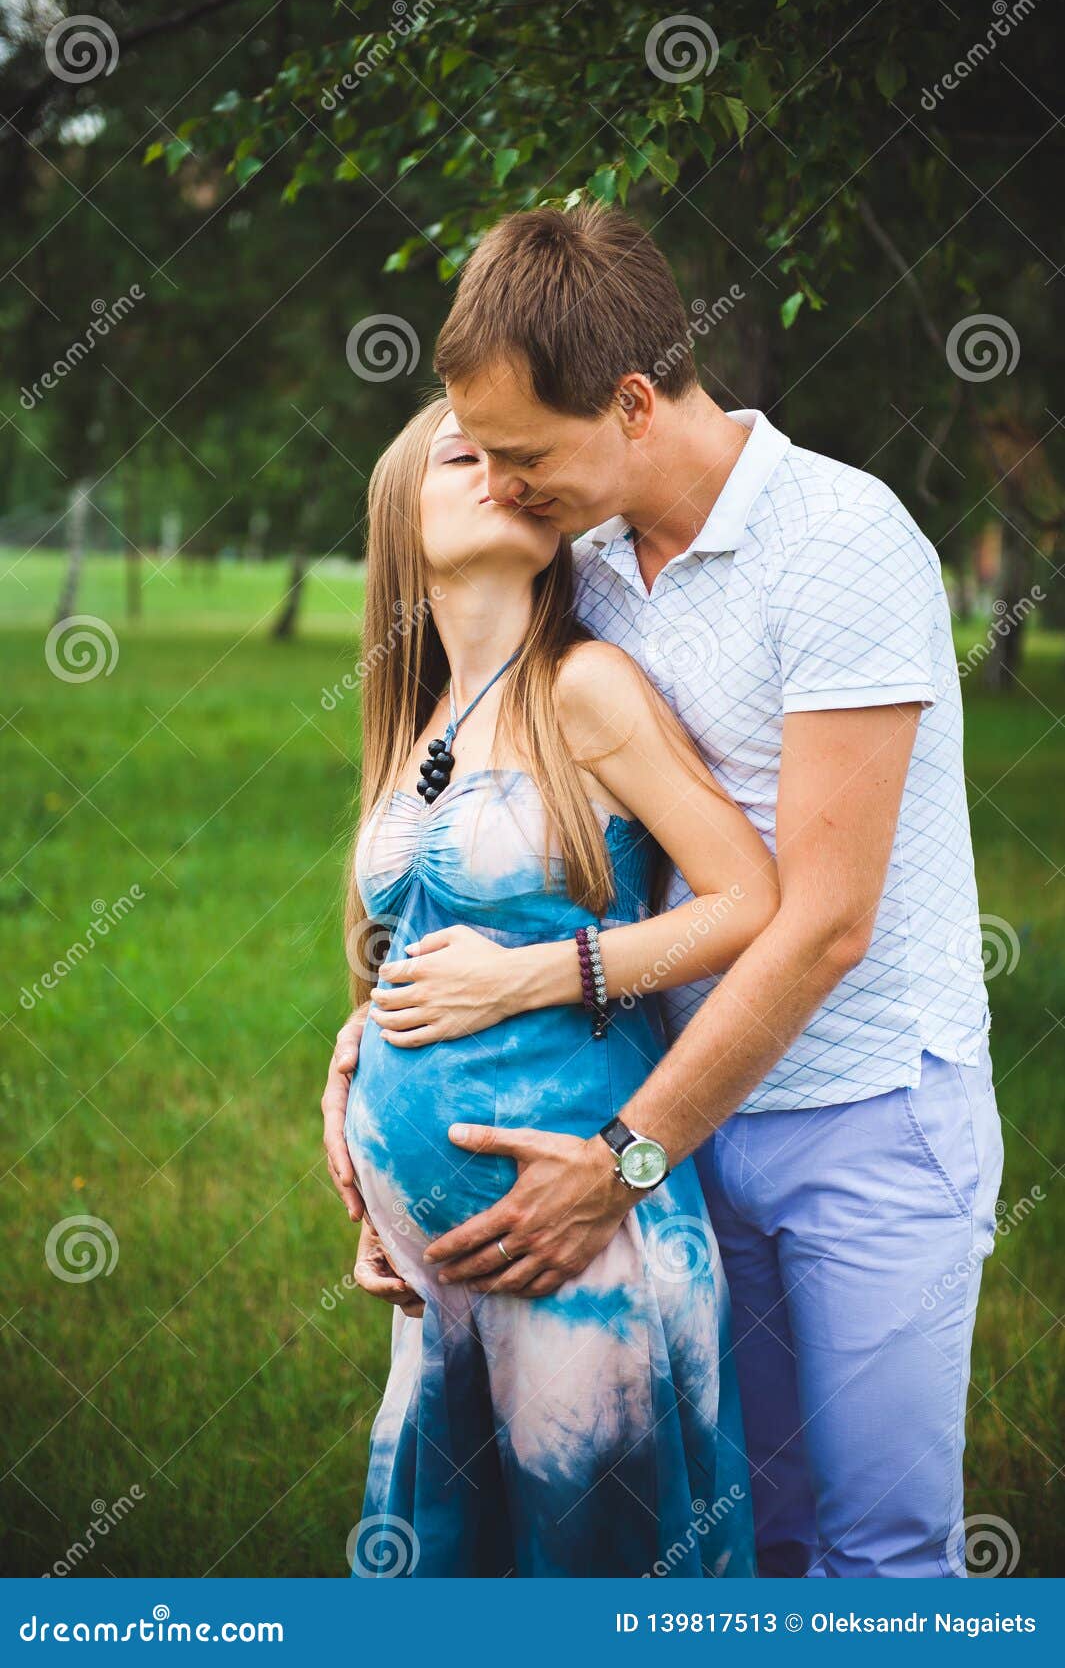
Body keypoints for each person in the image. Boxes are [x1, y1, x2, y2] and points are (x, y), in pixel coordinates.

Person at [325, 203, 1004, 1579]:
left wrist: (620, 1158)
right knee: (741, 1536)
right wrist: (370, 1041)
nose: (505, 486)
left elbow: (818, 921)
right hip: (687, 1120)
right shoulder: (581, 563)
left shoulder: (840, 541)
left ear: (633, 402)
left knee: (880, 1554)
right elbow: (505, 842)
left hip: (857, 1116)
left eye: (523, 454)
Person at [339, 394, 780, 1578]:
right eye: (460, 453)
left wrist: (533, 976)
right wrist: (353, 1099)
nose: (498, 467)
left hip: (577, 1223)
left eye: (509, 451)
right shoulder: (414, 718)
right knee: (456, 1565)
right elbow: (411, 953)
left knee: (590, 1556)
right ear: (399, 514)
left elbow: (749, 900)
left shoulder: (582, 689)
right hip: (438, 1272)